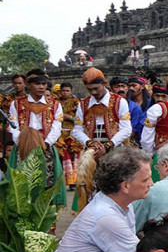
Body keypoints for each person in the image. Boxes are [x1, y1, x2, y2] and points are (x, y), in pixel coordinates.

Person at [8, 69, 66, 207]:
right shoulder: (16, 104)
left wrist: (46, 143)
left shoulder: (55, 105)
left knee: (48, 183)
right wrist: (23, 143)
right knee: (21, 183)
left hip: (46, 147)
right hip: (22, 147)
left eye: (44, 84)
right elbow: (14, 127)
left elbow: (57, 127)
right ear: (28, 85)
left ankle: (47, 217)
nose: (41, 87)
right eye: (37, 83)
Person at [72, 67, 132, 159]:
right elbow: (77, 130)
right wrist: (89, 142)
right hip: (92, 152)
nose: (93, 92)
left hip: (115, 152)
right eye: (89, 89)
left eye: (96, 88)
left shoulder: (120, 102)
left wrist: (108, 146)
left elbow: (126, 129)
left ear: (104, 83)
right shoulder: (83, 104)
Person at [55, 82, 83, 187]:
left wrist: (69, 117)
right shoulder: (55, 103)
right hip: (59, 132)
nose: (65, 93)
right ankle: (62, 179)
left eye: (67, 91)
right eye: (63, 91)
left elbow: (79, 118)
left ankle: (74, 179)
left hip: (72, 131)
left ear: (71, 92)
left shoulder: (76, 102)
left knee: (73, 155)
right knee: (61, 154)